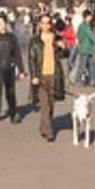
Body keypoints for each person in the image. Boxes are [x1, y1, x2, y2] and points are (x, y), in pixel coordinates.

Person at [28, 12, 68, 142]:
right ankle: (50, 131)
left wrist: (64, 47)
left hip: (54, 75)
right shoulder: (34, 41)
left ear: (51, 24)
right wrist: (34, 75)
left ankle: (43, 127)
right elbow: (31, 59)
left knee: (51, 104)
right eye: (43, 23)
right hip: (41, 76)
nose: (45, 25)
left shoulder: (56, 38)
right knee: (44, 104)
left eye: (48, 23)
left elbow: (64, 56)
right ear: (39, 25)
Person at [74, 8, 95, 86]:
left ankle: (92, 80)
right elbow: (91, 36)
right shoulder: (86, 26)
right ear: (88, 16)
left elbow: (78, 36)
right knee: (84, 65)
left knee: (91, 64)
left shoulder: (81, 26)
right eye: (90, 16)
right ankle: (79, 80)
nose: (91, 18)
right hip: (86, 48)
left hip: (84, 48)